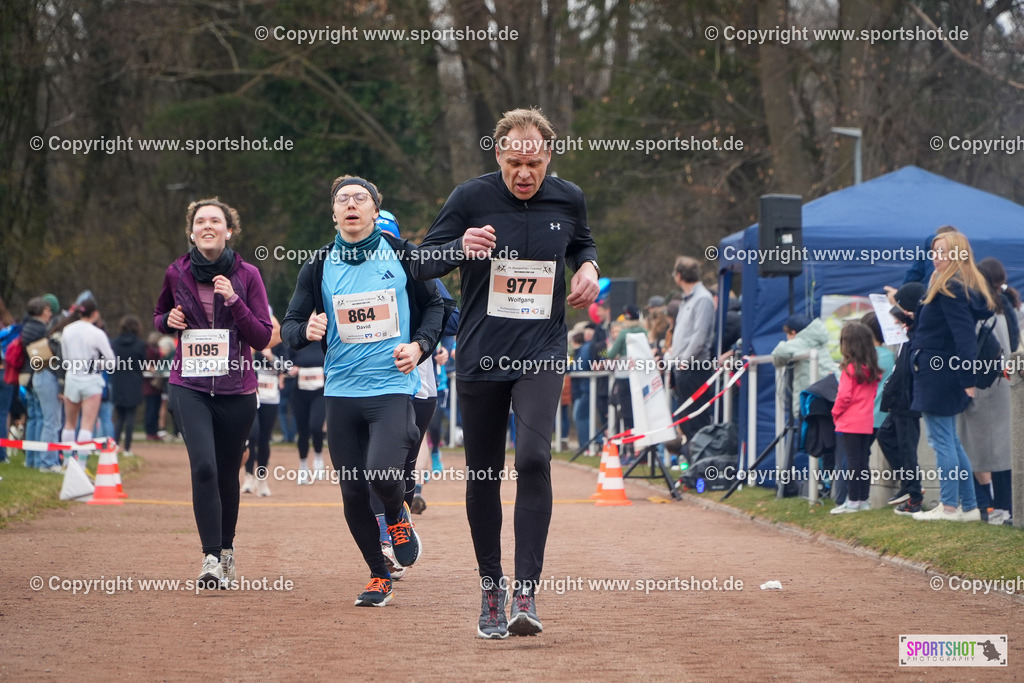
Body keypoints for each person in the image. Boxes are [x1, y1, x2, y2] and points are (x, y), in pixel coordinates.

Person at [409, 107, 599, 638]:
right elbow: (419, 263)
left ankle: (526, 591)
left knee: (535, 458)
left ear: (548, 157)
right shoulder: (470, 198)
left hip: (541, 349)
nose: (524, 173)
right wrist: (457, 248)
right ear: (498, 155)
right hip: (482, 355)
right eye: (514, 162)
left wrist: (589, 267)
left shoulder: (569, 197)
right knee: (485, 474)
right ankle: (491, 586)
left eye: (533, 163)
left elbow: (582, 242)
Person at [281, 175, 443, 607]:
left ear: (375, 210)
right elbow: (290, 325)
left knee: (383, 474)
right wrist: (306, 328)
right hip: (341, 391)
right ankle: (378, 573)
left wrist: (420, 345)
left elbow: (437, 307)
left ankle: (395, 515)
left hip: (391, 386)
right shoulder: (318, 265)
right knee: (352, 489)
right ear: (333, 213)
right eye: (342, 199)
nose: (351, 205)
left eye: (360, 198)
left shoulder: (404, 255)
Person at [154, 197, 272, 588]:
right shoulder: (177, 272)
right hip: (189, 385)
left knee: (225, 472)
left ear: (228, 231)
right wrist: (167, 320)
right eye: (200, 221)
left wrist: (234, 300)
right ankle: (209, 558)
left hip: (237, 389)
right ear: (191, 231)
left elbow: (261, 334)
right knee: (203, 466)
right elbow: (160, 315)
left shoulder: (248, 275)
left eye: (215, 221)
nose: (208, 226)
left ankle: (226, 549)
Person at [909, 230, 991, 522]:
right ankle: (968, 507)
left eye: (942, 252)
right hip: (937, 369)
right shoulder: (946, 285)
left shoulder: (952, 288)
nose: (936, 257)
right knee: (950, 441)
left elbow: (964, 338)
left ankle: (950, 506)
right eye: (934, 252)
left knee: (941, 440)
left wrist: (968, 379)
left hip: (940, 372)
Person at [959, 257, 1017, 524]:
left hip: (982, 384)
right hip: (1007, 382)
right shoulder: (1009, 307)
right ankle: (1005, 506)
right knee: (1003, 451)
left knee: (973, 449)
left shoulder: (981, 310)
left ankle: (987, 504)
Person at [878, 282, 926, 515]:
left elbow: (914, 321)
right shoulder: (912, 324)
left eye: (904, 311)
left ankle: (914, 495)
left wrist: (896, 305)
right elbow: (909, 320)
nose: (899, 318)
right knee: (886, 435)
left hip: (908, 396)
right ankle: (909, 485)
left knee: (907, 447)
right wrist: (896, 306)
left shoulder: (922, 325)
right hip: (900, 395)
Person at [829, 322, 882, 514]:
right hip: (867, 421)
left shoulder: (849, 370)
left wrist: (835, 413)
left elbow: (844, 396)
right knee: (862, 462)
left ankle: (852, 501)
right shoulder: (873, 371)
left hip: (849, 422)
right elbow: (873, 394)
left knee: (852, 462)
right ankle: (863, 500)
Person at [665, 258, 715, 441]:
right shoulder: (687, 300)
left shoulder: (702, 299)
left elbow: (699, 337)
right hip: (683, 367)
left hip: (694, 367)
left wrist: (684, 361)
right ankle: (694, 463)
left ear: (679, 276)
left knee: (696, 419)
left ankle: (702, 465)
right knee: (685, 419)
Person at [242, 314, 284, 497]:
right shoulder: (250, 344)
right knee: (252, 435)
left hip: (271, 398)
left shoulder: (281, 345)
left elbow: (287, 368)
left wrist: (272, 357)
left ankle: (262, 478)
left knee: (264, 439)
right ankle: (248, 477)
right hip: (253, 396)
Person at [282, 335, 326, 484]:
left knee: (316, 427)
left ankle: (319, 457)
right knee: (303, 431)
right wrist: (291, 368)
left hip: (320, 391)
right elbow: (286, 362)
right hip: (300, 392)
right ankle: (303, 467)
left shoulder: (326, 342)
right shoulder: (297, 340)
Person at [109, 315, 147, 455]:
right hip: (134, 383)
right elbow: (143, 364)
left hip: (118, 382)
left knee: (119, 417)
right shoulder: (140, 344)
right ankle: (127, 449)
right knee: (130, 417)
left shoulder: (114, 343)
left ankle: (114, 447)